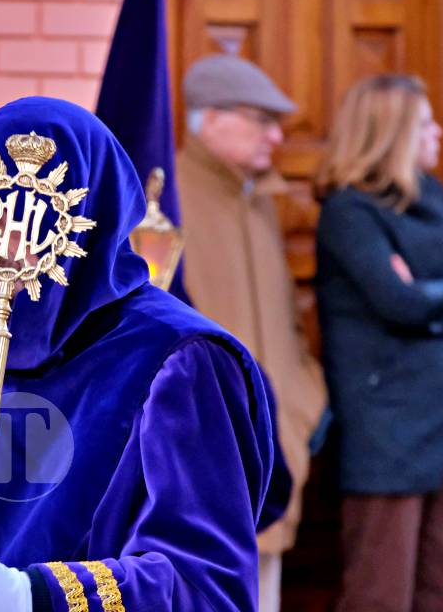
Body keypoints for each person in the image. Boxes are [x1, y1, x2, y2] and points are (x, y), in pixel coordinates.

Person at [0, 97, 277, 612]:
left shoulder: (175, 359)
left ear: (86, 227)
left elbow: (205, 584)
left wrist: (32, 596)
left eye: (30, 219)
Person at [313, 74, 443, 612]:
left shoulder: (431, 195)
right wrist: (439, 293)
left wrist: (434, 291)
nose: (438, 132)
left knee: (441, 587)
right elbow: (399, 302)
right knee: (379, 593)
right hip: (385, 426)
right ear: (390, 133)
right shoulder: (349, 212)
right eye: (425, 122)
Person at [175, 54, 327, 612]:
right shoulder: (165, 202)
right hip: (200, 453)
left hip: (275, 450)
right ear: (208, 119)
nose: (278, 136)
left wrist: (303, 400)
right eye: (260, 120)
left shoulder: (261, 203)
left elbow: (288, 323)